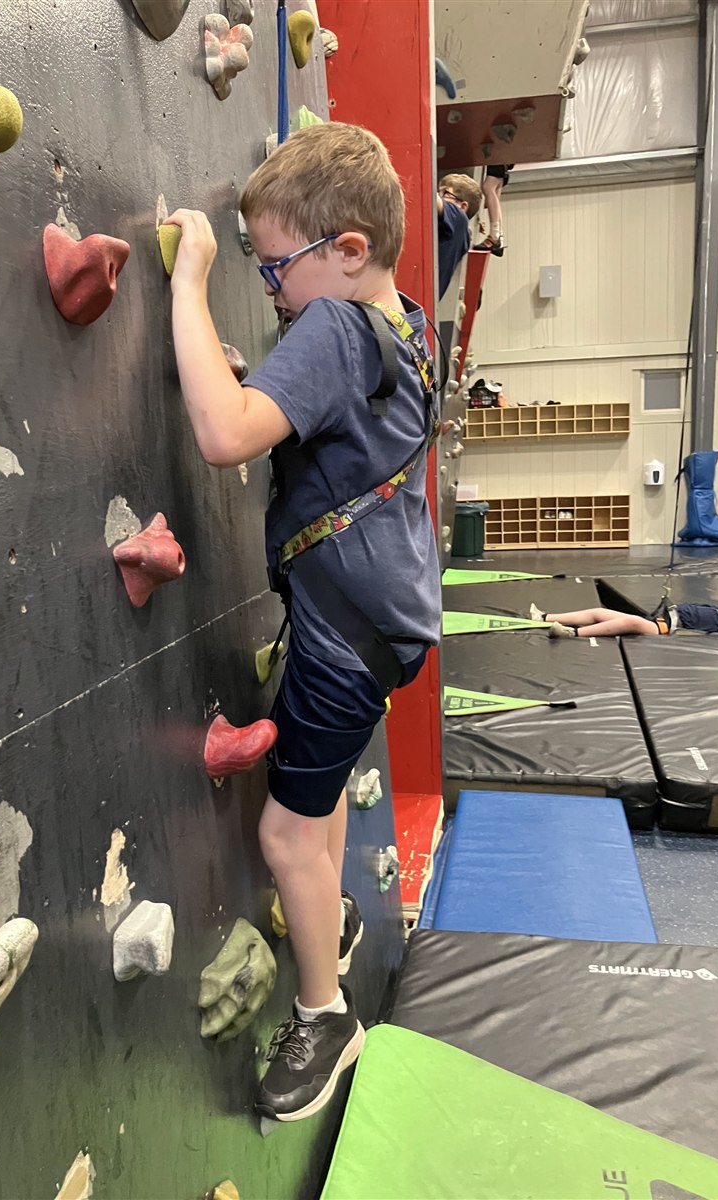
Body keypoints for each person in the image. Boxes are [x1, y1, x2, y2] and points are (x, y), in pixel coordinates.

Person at [164, 123, 441, 1122]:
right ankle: (339, 923)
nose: (271, 286)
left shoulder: (330, 330)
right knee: (317, 794)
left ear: (349, 250)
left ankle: (325, 1018)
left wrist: (191, 283)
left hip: (341, 632)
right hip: (386, 620)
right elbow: (303, 416)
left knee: (285, 835)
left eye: (276, 265)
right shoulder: (400, 320)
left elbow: (223, 434)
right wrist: (252, 370)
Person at [530, 600, 718, 640]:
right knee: (600, 611)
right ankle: (544, 617)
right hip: (660, 617)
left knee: (629, 623)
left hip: (662, 628)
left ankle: (572, 634)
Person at [436, 173, 481, 298]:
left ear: (463, 206)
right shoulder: (457, 232)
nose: (440, 196)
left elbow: (428, 198)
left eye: (445, 193)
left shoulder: (460, 220)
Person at [473, 164, 513, 257]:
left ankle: (495, 236)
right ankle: (498, 236)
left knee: (488, 187)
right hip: (503, 161)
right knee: (495, 188)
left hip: (499, 156)